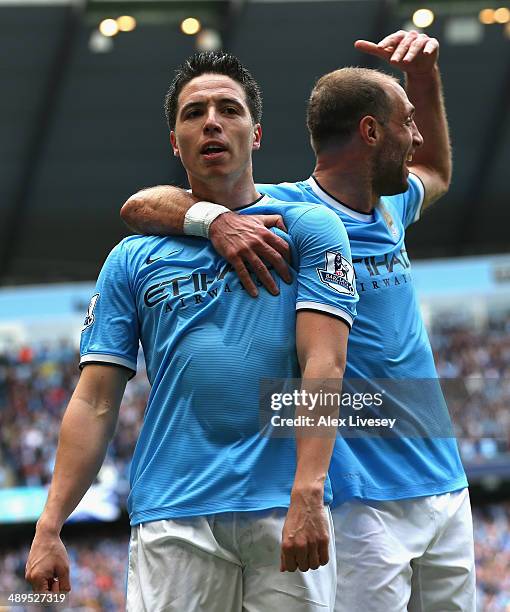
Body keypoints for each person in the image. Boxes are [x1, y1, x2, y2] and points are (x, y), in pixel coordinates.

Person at [120, 31, 475, 611]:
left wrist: (426, 79)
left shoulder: (391, 206)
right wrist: (213, 220)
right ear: (369, 132)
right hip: (360, 496)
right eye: (405, 123)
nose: (414, 137)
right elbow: (140, 206)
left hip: (444, 479)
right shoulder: (285, 214)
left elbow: (436, 165)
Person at [25, 52, 359, 611]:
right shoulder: (131, 260)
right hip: (173, 514)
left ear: (256, 134)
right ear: (175, 143)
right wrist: (50, 522)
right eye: (194, 112)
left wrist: (309, 488)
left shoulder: (309, 229)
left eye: (229, 109)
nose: (211, 121)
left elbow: (324, 365)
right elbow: (96, 400)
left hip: (283, 509)